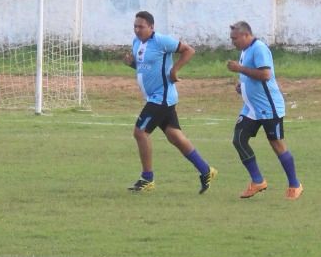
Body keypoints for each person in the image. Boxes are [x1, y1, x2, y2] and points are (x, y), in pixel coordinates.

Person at [124, 10, 216, 194]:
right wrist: (131, 63)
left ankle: (147, 178)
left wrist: (174, 70)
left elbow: (189, 50)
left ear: (151, 27)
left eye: (141, 26)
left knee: (140, 132)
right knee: (175, 136)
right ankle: (206, 170)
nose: (137, 30)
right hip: (155, 98)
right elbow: (145, 67)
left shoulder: (161, 41)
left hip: (162, 97)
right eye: (135, 26)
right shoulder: (136, 43)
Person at [226, 20, 303, 200]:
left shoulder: (259, 48)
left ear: (246, 35)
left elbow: (266, 74)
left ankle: (295, 184)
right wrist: (243, 86)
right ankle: (257, 181)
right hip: (251, 108)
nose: (232, 42)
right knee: (239, 139)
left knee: (277, 145)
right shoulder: (245, 50)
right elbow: (251, 75)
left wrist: (239, 69)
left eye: (234, 38)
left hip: (268, 107)